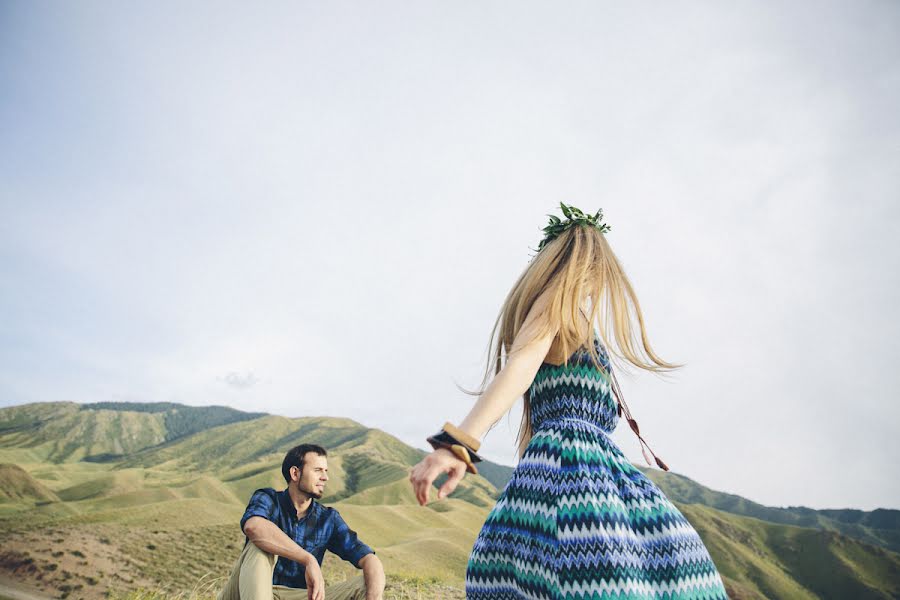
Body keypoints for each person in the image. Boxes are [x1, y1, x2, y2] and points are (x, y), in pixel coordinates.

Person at [409, 204, 729, 599]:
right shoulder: (556, 304)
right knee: (664, 568)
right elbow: (520, 366)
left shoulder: (570, 318)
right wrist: (459, 444)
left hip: (581, 469)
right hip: (578, 473)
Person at [218, 444, 386, 600]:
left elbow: (369, 559)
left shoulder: (328, 519)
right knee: (259, 545)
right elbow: (254, 527)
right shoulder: (268, 498)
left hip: (297, 596)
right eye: (318, 470)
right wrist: (308, 559)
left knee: (366, 583)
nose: (325, 477)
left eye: (326, 471)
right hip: (247, 592)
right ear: (295, 473)